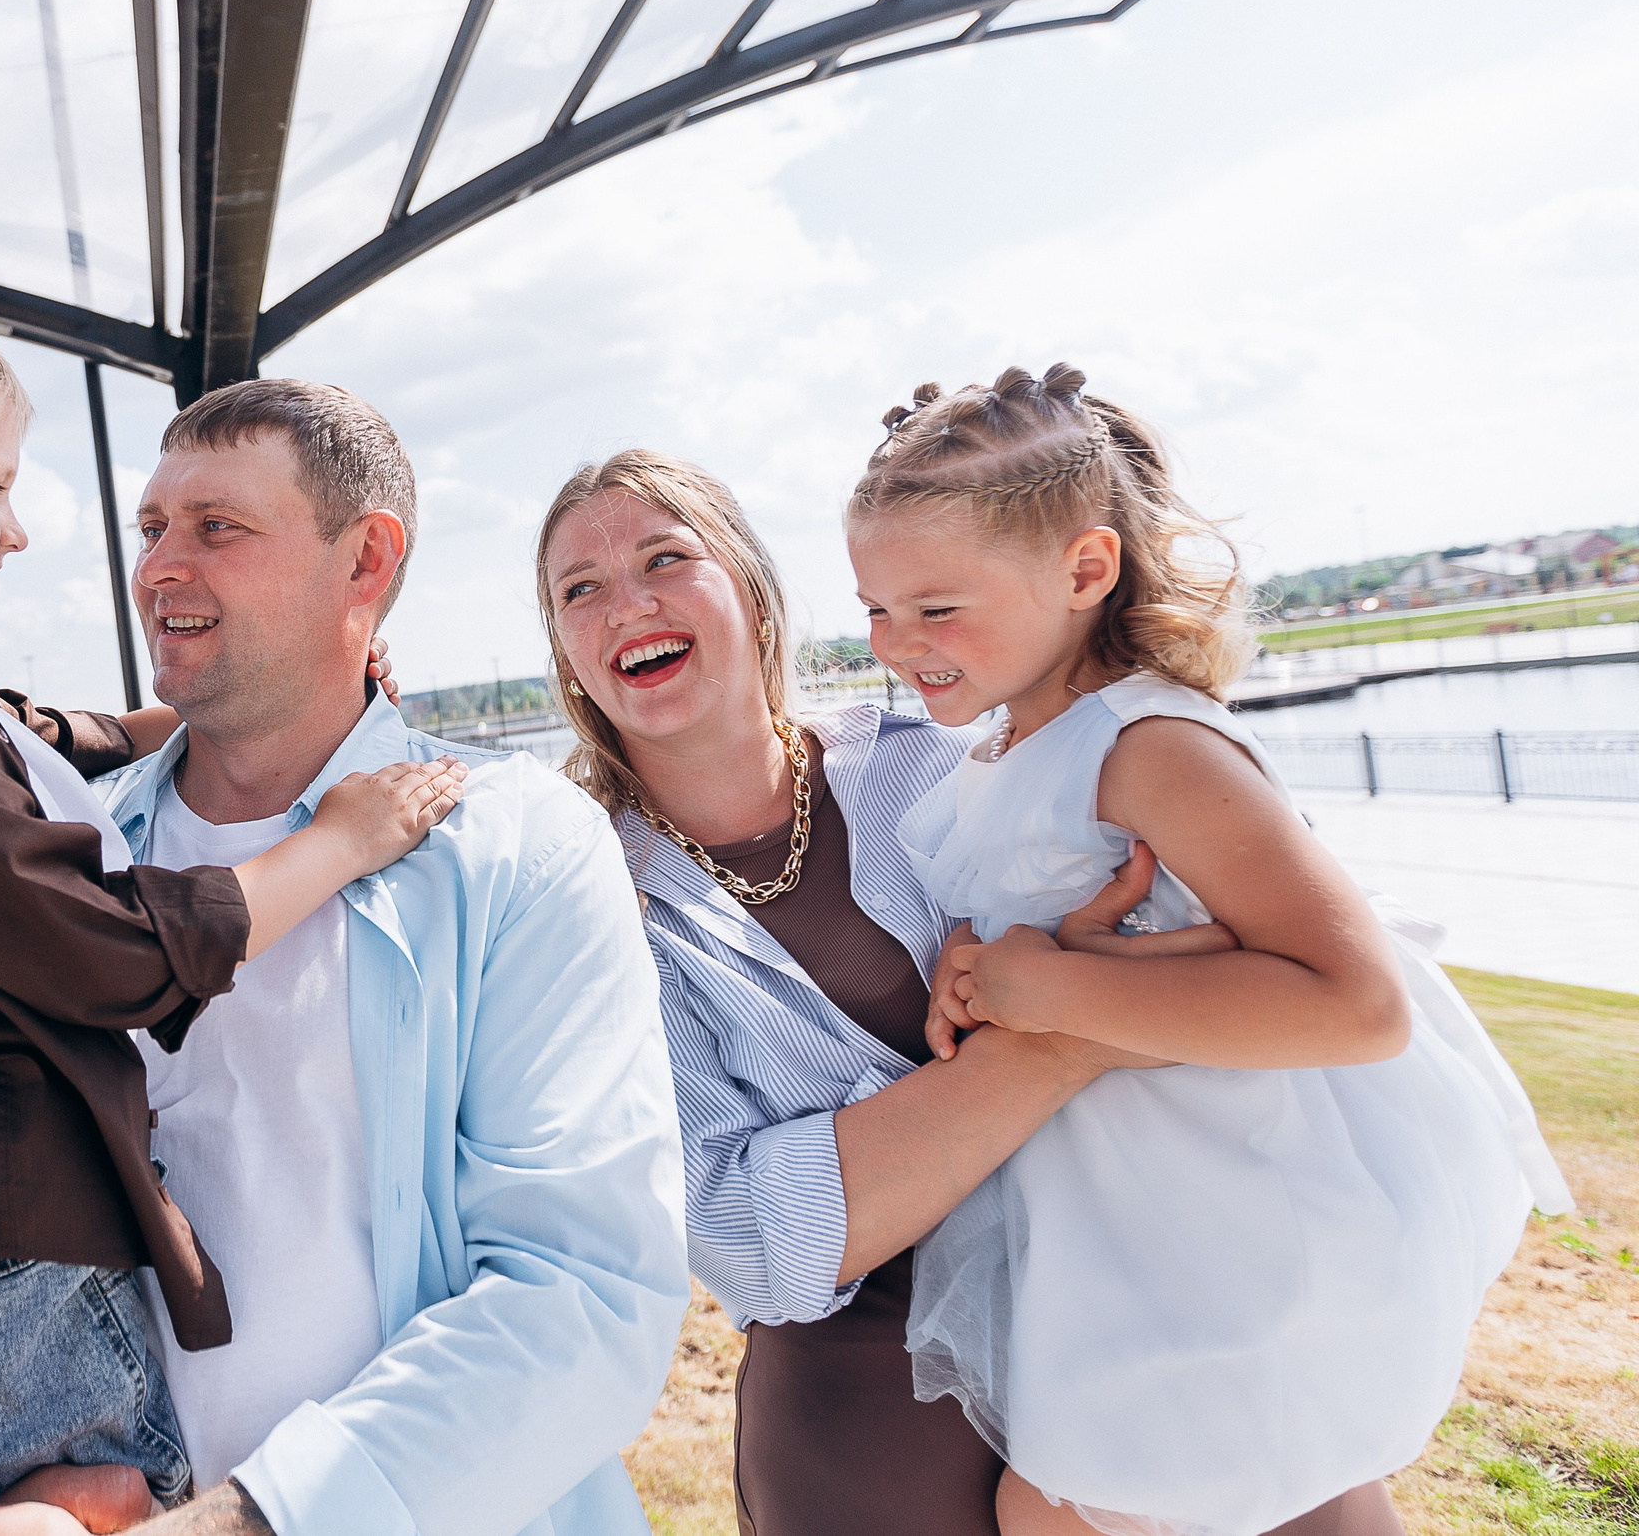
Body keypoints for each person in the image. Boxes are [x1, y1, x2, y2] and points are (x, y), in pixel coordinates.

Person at [0, 378, 691, 1536]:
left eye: (216, 528)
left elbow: (583, 1303)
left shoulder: (517, 844)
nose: (156, 567)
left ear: (366, 561)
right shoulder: (26, 842)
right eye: (150, 528)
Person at [534, 447, 1442, 1536]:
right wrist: (1062, 1032)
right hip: (875, 1418)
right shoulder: (587, 905)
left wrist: (1076, 1000)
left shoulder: (962, 758)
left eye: (663, 558)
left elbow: (1262, 955)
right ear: (567, 653)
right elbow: (741, 1236)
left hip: (1162, 1313)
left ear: (751, 589)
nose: (624, 603)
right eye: (577, 589)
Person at [0, 273, 465, 1523]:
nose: (18, 531)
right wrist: (339, 839)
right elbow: (108, 953)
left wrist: (186, 710)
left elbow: (31, 734)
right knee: (109, 1507)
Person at [850, 364, 1566, 1535]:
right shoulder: (994, 756)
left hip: (1236, 1201)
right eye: (876, 609)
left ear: (1084, 570)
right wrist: (975, 969)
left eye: (936, 608)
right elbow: (1049, 910)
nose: (894, 644)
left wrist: (1054, 985)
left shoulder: (1150, 744)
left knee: (1066, 1507)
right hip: (1130, 1223)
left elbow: (1355, 1002)